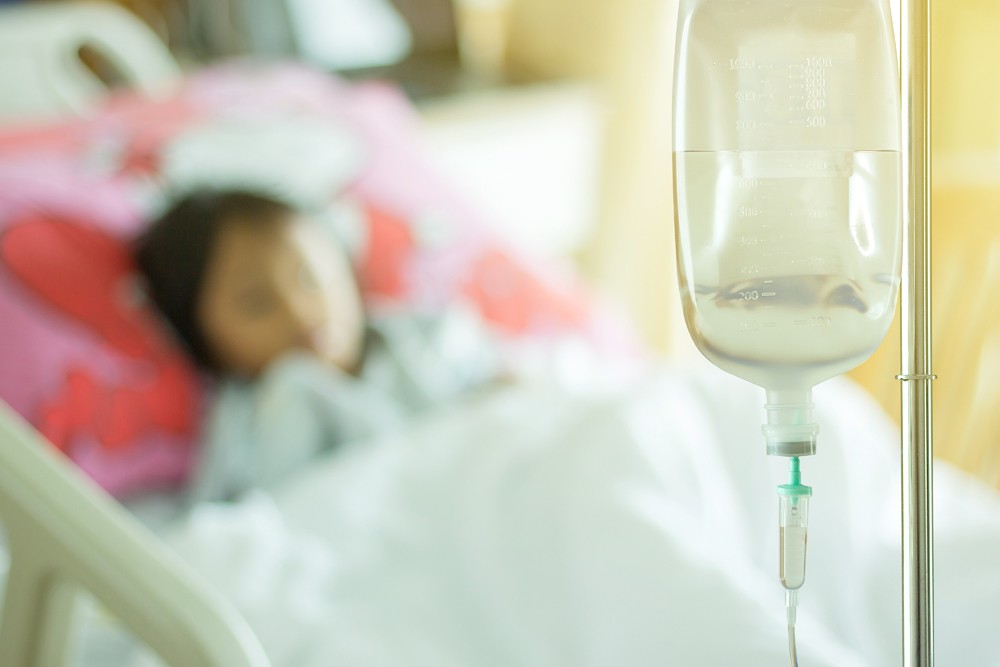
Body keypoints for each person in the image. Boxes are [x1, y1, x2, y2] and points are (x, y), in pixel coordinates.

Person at [135, 188, 501, 503]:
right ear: (203, 339)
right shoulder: (246, 424)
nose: (299, 312)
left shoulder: (432, 334)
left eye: (311, 278)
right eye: (256, 303)